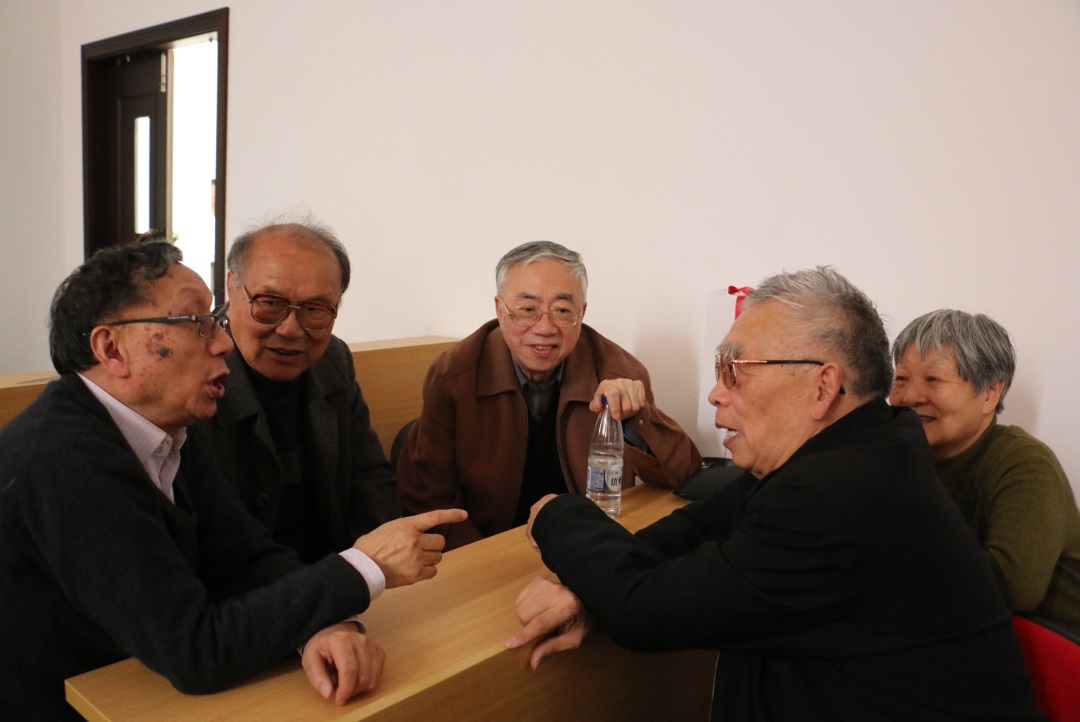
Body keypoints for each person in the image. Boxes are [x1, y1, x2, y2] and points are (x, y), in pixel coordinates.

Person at [505, 267, 1042, 721]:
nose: (715, 393)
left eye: (734, 370)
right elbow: (700, 526)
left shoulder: (839, 494)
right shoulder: (864, 445)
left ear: (823, 386)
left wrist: (559, 514)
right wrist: (589, 585)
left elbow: (643, 612)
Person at [0, 240, 466, 720]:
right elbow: (196, 651)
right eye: (196, 322)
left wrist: (327, 626)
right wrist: (365, 567)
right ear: (111, 349)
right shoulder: (63, 459)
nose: (223, 342)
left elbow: (248, 558)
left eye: (215, 320)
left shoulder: (167, 428)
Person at [397, 241, 702, 550]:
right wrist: (487, 561)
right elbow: (427, 501)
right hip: (487, 547)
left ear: (581, 313)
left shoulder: (617, 371)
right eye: (528, 310)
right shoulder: (454, 377)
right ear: (500, 310)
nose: (544, 328)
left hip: (584, 544)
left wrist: (637, 417)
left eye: (562, 310)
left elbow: (681, 477)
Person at [191, 219, 400, 563]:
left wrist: (377, 566)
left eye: (315, 309)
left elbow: (369, 478)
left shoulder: (333, 359)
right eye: (270, 303)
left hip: (342, 572)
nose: (290, 329)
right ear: (231, 287)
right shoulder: (191, 373)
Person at [891, 309, 1080, 639]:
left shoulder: (1024, 463)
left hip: (1059, 653)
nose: (909, 396)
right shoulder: (897, 459)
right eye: (901, 378)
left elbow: (1012, 588)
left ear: (990, 393)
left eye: (933, 379)